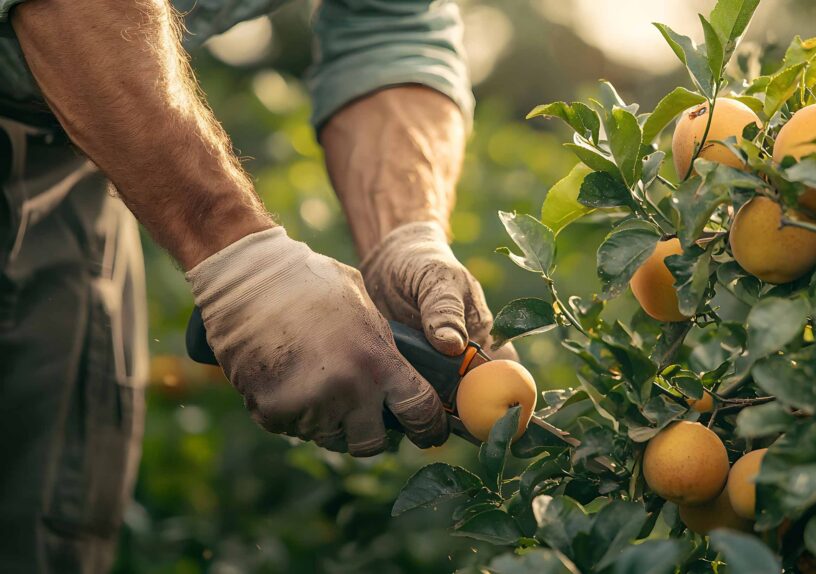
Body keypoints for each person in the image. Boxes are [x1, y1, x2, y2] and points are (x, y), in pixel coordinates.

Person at [0, 0, 509, 571]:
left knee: (44, 514)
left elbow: (393, 27)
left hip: (66, 146)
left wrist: (405, 233)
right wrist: (236, 253)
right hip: (78, 84)